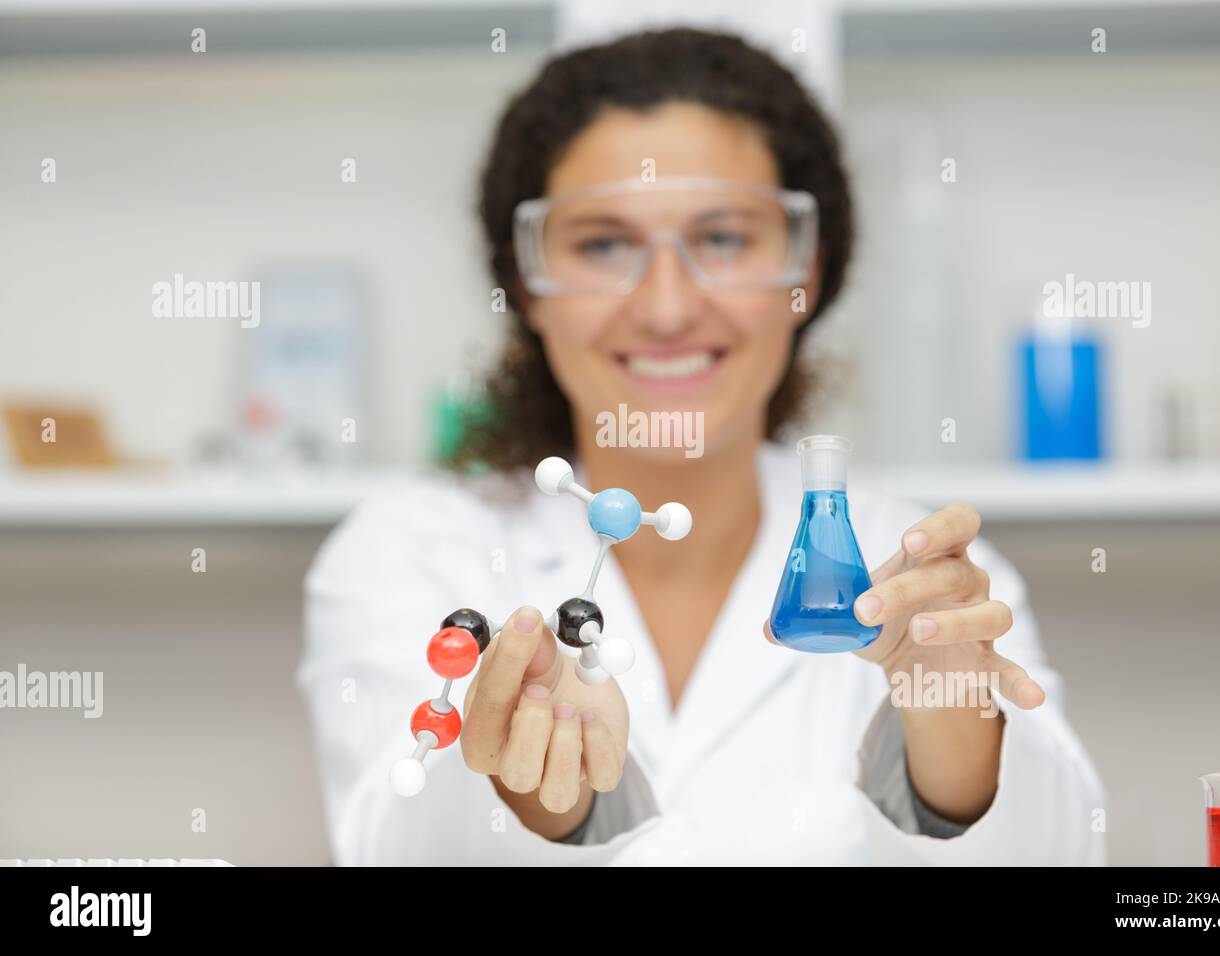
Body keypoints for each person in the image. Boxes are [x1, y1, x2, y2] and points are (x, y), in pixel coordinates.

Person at [296, 27, 1105, 865]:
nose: (668, 307)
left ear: (806, 273)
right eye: (604, 244)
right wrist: (538, 801)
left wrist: (948, 713)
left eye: (722, 238)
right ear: (528, 283)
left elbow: (1060, 849)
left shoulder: (929, 578)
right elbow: (392, 843)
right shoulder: (411, 556)